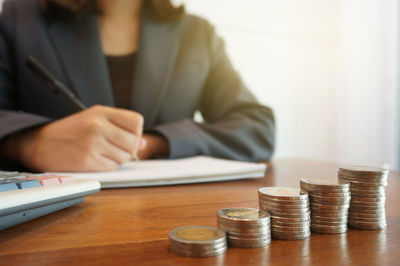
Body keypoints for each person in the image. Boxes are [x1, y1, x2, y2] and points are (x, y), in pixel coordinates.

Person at [0, 0, 275, 172]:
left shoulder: (197, 34)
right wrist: (28, 144)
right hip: (52, 223)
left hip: (172, 215)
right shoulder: (17, 18)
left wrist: (150, 144)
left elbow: (257, 128)